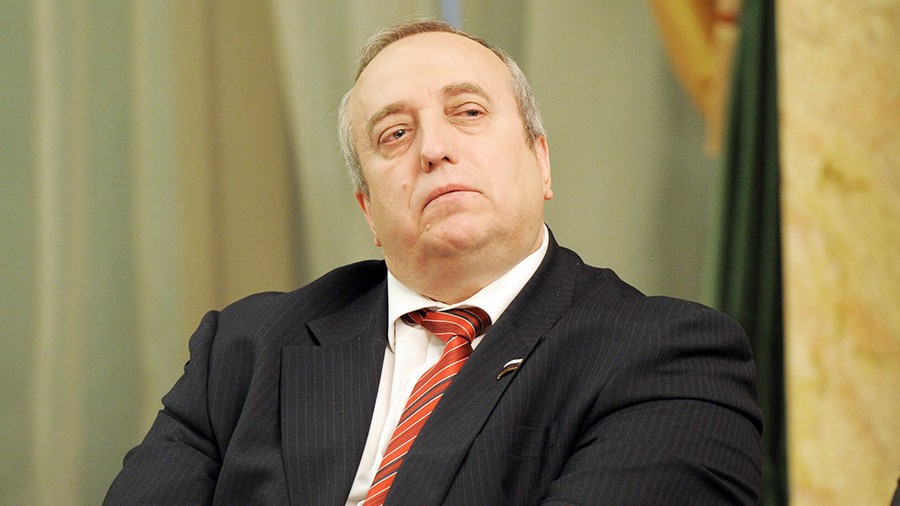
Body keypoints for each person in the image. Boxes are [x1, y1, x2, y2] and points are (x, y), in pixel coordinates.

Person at [105, 17, 763, 505]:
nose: (433, 149)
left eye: (467, 112)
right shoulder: (244, 352)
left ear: (540, 161)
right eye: (395, 134)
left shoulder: (670, 356)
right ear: (368, 209)